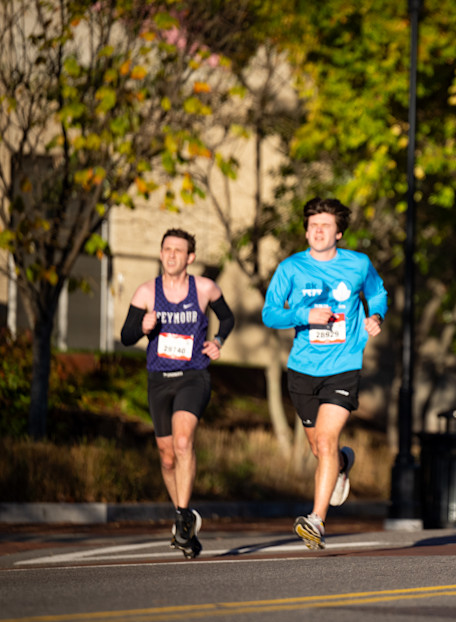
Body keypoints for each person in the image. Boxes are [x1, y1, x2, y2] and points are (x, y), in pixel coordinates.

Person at [262, 197, 387, 549]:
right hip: (302, 370)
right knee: (320, 448)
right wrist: (302, 316)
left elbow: (377, 295)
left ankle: (315, 521)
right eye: (313, 226)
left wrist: (376, 316)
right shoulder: (291, 268)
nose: (318, 231)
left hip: (343, 366)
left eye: (325, 226)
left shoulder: (358, 265)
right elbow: (270, 314)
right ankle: (344, 464)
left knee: (327, 441)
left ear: (339, 233)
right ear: (306, 231)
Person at [120, 228, 235, 559]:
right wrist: (142, 327)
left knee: (184, 442)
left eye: (178, 250)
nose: (171, 255)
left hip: (193, 376)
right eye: (166, 249)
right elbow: (127, 336)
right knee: (167, 455)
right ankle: (182, 516)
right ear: (161, 254)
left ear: (190, 258)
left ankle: (184, 518)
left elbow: (227, 318)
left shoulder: (204, 288)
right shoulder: (145, 293)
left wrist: (218, 342)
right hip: (159, 379)